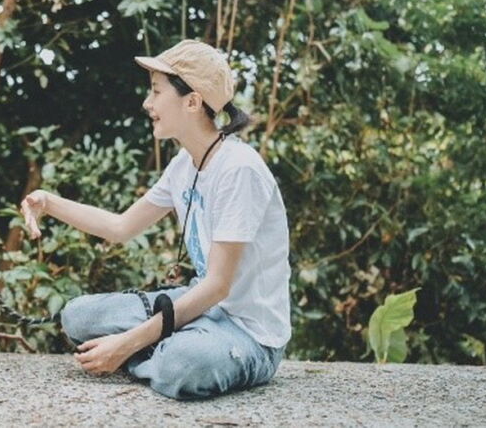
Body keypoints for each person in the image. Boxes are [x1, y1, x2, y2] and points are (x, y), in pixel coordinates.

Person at [20, 40, 290, 400]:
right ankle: (160, 350)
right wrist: (48, 202)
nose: (148, 103)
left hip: (249, 335)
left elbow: (218, 286)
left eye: (156, 92)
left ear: (192, 102)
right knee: (77, 316)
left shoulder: (239, 169)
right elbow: (120, 227)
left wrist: (127, 343)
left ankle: (154, 355)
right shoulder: (183, 164)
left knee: (181, 365)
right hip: (198, 309)